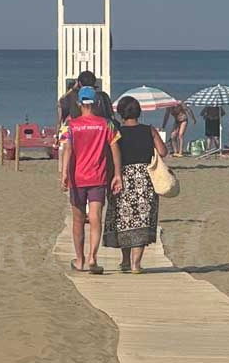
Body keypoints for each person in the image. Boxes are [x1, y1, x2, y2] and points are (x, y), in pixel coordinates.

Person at [60, 86, 123, 274]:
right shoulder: (106, 124)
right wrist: (117, 174)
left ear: (79, 103)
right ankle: (93, 256)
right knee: (95, 217)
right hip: (98, 176)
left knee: (78, 220)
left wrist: (64, 173)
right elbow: (115, 149)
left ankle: (80, 260)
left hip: (77, 177)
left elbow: (67, 149)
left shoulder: (71, 125)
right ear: (95, 103)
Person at [104, 96, 167, 273]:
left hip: (122, 176)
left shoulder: (117, 132)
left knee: (123, 219)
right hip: (144, 179)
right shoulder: (149, 130)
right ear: (139, 112)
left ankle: (125, 260)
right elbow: (163, 151)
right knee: (142, 219)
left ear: (121, 113)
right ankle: (135, 264)